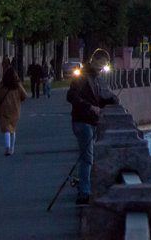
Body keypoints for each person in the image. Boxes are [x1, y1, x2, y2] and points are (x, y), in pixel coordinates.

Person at [66, 48, 118, 205]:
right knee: (87, 158)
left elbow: (96, 101)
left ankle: (83, 186)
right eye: (100, 64)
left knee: (87, 157)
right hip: (82, 122)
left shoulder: (94, 77)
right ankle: (84, 194)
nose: (101, 68)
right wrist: (90, 107)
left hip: (89, 122)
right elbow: (71, 96)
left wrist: (111, 101)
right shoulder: (82, 76)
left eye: (104, 65)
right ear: (94, 60)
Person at [0, 65, 28, 156]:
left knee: (6, 129)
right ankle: (12, 147)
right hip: (15, 110)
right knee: (13, 129)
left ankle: (7, 147)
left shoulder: (2, 86)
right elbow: (24, 95)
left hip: (4, 110)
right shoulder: (17, 85)